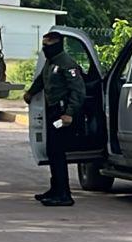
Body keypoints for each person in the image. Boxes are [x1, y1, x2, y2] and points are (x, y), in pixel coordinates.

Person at [25, 31, 86, 206]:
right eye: (43, 45)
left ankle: (64, 194)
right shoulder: (51, 62)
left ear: (57, 44)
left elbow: (78, 91)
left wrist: (69, 113)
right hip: (53, 113)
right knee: (52, 151)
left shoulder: (67, 64)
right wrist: (31, 92)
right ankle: (56, 189)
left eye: (48, 45)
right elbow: (41, 80)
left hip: (63, 114)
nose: (45, 49)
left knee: (58, 152)